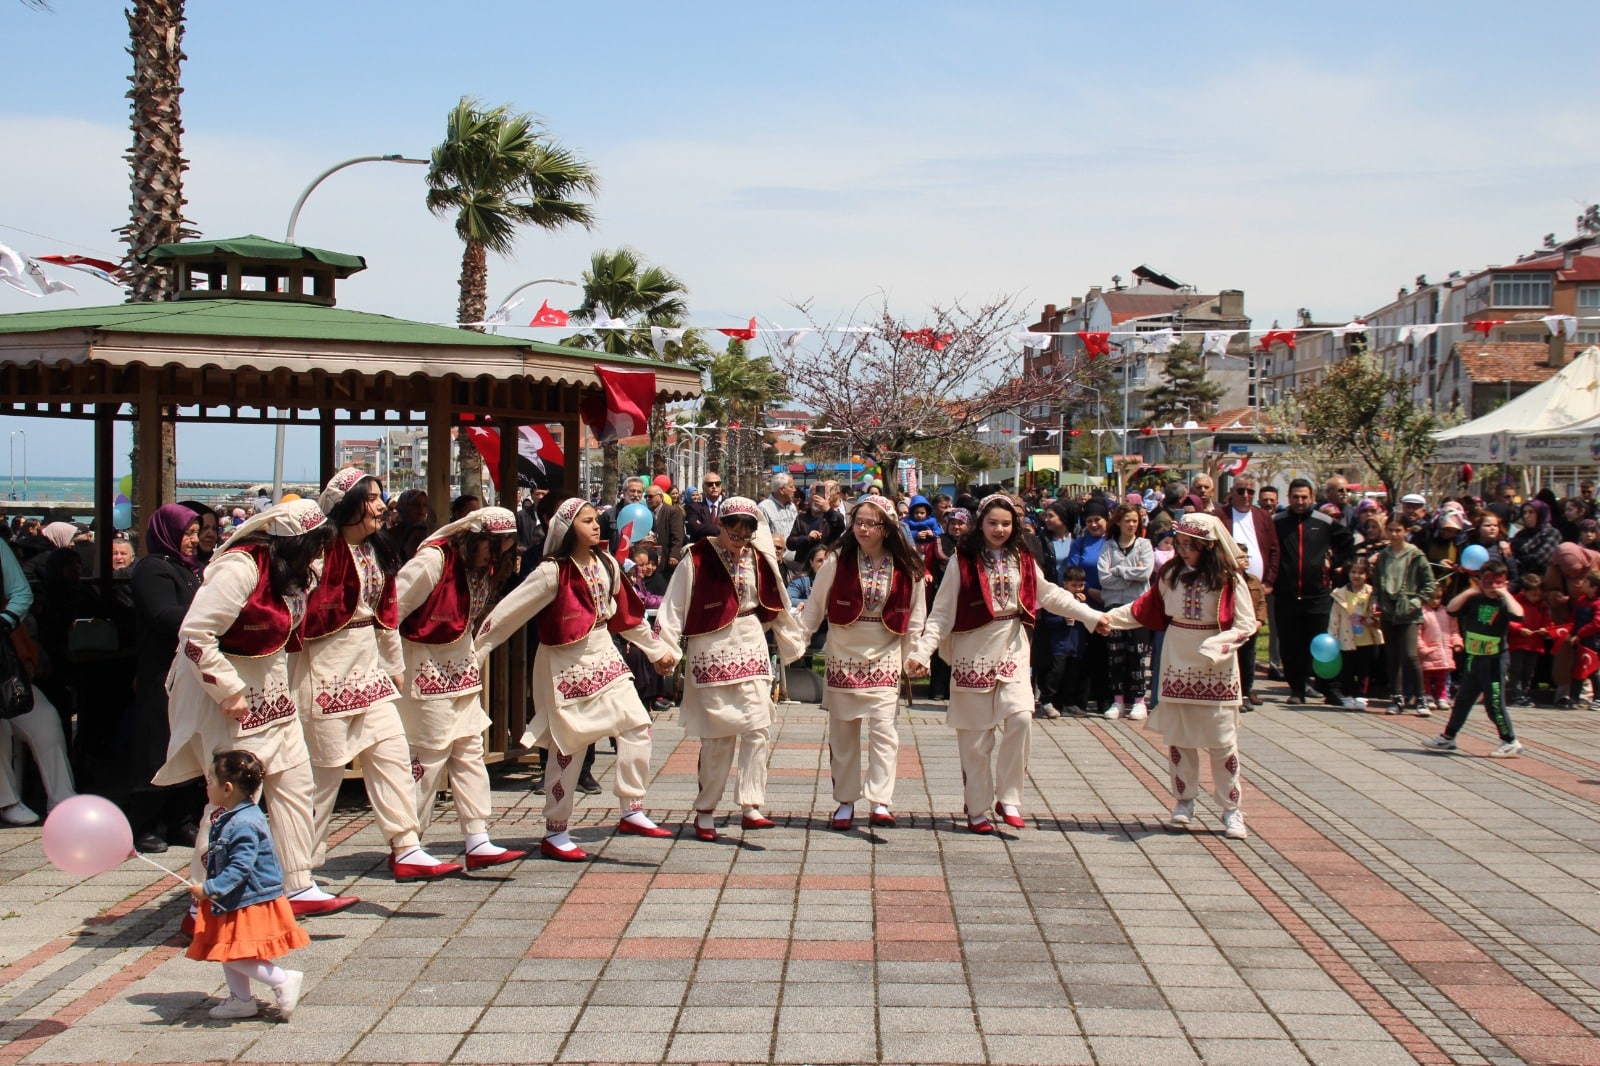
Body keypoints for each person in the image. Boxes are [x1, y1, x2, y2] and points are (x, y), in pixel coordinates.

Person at [154, 500, 355, 917]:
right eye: (315, 546)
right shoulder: (239, 568)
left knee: (297, 785)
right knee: (233, 802)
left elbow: (286, 636)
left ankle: (297, 882)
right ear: (293, 542)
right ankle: (205, 906)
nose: (320, 555)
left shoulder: (295, 573)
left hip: (274, 692)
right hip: (230, 700)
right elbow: (195, 635)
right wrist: (226, 688)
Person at [477, 497, 681, 859]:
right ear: (569, 528)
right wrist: (474, 655)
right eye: (587, 521)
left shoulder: (607, 564)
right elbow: (508, 614)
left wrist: (657, 651)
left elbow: (628, 617)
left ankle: (632, 808)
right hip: (563, 661)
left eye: (596, 519)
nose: (596, 525)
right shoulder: (552, 571)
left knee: (638, 725)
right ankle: (556, 832)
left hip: (603, 651)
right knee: (569, 745)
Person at [296, 469, 461, 885]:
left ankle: (407, 846)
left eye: (380, 497)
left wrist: (394, 669)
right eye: (371, 498)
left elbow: (386, 616)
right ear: (346, 504)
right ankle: (298, 870)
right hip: (324, 672)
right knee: (323, 776)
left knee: (392, 759)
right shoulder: (317, 555)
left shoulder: (376, 551)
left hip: (370, 672)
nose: (381, 505)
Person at [906, 495, 1106, 833]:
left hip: (1012, 644)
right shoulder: (962, 560)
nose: (999, 529)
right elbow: (941, 614)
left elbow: (1050, 595)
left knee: (1022, 717)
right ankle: (978, 808)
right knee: (976, 741)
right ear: (979, 523)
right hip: (972, 651)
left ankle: (1009, 797)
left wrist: (1090, 616)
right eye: (992, 522)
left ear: (1015, 527)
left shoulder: (1023, 558)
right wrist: (921, 651)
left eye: (1006, 523)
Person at [653, 497, 806, 840]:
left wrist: (792, 641)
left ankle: (751, 805)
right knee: (718, 734)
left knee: (758, 726)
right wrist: (665, 649)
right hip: (711, 645)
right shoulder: (695, 557)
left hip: (751, 639)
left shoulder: (758, 557)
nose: (739, 534)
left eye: (747, 528)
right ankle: (706, 809)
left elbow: (777, 600)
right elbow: (673, 607)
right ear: (720, 524)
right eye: (733, 527)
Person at [1101, 513, 1257, 840]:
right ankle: (1184, 800)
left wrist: (1218, 644)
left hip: (1216, 666)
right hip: (1176, 660)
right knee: (1179, 739)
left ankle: (1232, 808)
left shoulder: (1229, 578)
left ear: (1208, 546)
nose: (1182, 551)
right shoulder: (1171, 574)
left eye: (1190, 546)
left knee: (1223, 742)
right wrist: (1104, 618)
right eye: (1180, 544)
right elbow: (1140, 609)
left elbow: (1245, 625)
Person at [393, 506, 526, 870]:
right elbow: (391, 612)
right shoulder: (432, 563)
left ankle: (477, 836)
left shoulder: (480, 569)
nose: (494, 558)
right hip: (423, 665)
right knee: (428, 755)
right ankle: (407, 841)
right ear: (474, 539)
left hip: (461, 667)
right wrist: (389, 665)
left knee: (470, 750)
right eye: (492, 548)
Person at [797, 495, 926, 830]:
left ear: (887, 527)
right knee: (843, 732)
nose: (864, 529)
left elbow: (915, 619)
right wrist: (798, 641)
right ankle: (844, 801)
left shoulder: (906, 565)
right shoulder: (838, 559)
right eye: (859, 522)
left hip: (885, 654)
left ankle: (881, 801)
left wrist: (915, 656)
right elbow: (814, 606)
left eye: (872, 523)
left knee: (885, 731)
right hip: (844, 653)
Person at [186, 750, 308, 1021]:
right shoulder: (236, 815)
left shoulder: (242, 823)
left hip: (248, 899)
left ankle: (282, 979)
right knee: (228, 949)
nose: (206, 786)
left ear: (227, 788)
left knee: (231, 952)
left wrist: (209, 889)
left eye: (210, 781)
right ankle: (241, 1000)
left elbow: (241, 867)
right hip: (237, 899)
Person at [127, 505, 206, 853]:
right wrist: (209, 615)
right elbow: (162, 614)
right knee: (157, 746)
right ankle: (142, 822)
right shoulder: (153, 569)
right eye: (187, 533)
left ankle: (180, 819)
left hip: (188, 670)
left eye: (195, 533)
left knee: (188, 741)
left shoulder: (191, 569)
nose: (193, 540)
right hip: (161, 671)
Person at [0, 539, 77, 826]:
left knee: (45, 721)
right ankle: (7, 800)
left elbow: (21, 593)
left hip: (6, 667)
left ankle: (63, 800)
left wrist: (5, 620)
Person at [1426, 560, 1524, 757]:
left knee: (1494, 704)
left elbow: (1519, 615)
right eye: (1488, 582)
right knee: (1463, 699)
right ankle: (1448, 737)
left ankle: (1510, 740)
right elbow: (1452, 609)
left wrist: (1504, 592)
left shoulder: (1503, 602)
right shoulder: (1474, 599)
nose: (1492, 587)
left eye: (1498, 582)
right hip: (1474, 658)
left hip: (1495, 661)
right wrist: (1472, 590)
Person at [1273, 478, 1354, 706]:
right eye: (1295, 497)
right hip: (1286, 596)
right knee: (1290, 646)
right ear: (1288, 498)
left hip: (1317, 596)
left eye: (1304, 497)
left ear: (1312, 498)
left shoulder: (1324, 521)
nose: (1300, 501)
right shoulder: (1277, 522)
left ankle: (1330, 689)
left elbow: (1349, 543)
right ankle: (1297, 689)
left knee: (1322, 644)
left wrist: (1335, 564)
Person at [1370, 514, 1436, 713]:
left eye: (1398, 530)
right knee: (1393, 656)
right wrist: (1375, 602)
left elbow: (1429, 584)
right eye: (1390, 530)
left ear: (1406, 532)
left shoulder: (1416, 555)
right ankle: (1397, 696)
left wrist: (1416, 601)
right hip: (1389, 611)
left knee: (1410, 655)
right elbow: (1377, 583)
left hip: (1408, 611)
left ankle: (1421, 697)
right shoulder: (1384, 556)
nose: (1394, 534)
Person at [1097, 502, 1154, 720]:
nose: (1131, 525)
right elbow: (1104, 578)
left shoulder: (1144, 545)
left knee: (1137, 653)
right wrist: (1130, 576)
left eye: (1135, 521)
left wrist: (1119, 570)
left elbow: (1145, 573)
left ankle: (1139, 700)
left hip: (1138, 606)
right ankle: (1118, 700)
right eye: (1127, 520)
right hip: (1113, 607)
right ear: (1118, 522)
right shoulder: (1108, 546)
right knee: (1116, 654)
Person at [1330, 557, 1382, 710]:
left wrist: (1374, 621)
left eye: (1361, 573)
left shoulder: (1371, 593)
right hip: (1346, 638)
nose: (1356, 576)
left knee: (1364, 669)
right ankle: (1348, 695)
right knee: (1347, 669)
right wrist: (1332, 636)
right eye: (1353, 572)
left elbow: (1378, 614)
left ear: (1367, 575)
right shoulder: (1340, 594)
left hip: (1366, 638)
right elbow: (1335, 617)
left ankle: (1361, 695)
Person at [1508, 574, 1551, 707]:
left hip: (1534, 644)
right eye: (1533, 594)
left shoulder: (1542, 605)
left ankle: (1525, 694)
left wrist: (1546, 629)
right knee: (1516, 670)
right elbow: (1509, 620)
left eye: (1539, 594)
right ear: (1524, 591)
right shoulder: (1515, 602)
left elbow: (1548, 621)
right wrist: (1519, 629)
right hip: (1517, 644)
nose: (1536, 597)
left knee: (1529, 671)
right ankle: (1516, 695)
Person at [1235, 545, 1267, 709]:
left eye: (1247, 557)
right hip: (1235, 628)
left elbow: (1261, 603)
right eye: (1241, 557)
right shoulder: (1228, 579)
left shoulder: (1253, 580)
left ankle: (1247, 691)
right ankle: (1236, 694)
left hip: (1251, 627)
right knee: (1235, 661)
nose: (1245, 560)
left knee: (1248, 661)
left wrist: (1259, 621)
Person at [1417, 584, 1459, 710]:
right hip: (1429, 651)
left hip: (1444, 651)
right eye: (1431, 598)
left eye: (1438, 598)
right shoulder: (1422, 612)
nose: (1434, 601)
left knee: (1442, 677)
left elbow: (1454, 631)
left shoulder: (1447, 612)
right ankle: (1427, 695)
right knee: (1426, 677)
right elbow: (1417, 634)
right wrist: (1422, 648)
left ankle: (1442, 696)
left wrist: (1456, 642)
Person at [1511, 500, 1561, 580]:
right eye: (1524, 513)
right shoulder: (1520, 534)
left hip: (1541, 581)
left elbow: (1540, 558)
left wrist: (1518, 561)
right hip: (1520, 579)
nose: (1526, 516)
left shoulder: (1552, 533)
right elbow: (1511, 555)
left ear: (1541, 513)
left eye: (1531, 512)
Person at [758, 473, 800, 567]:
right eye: (791, 487)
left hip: (793, 563)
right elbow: (761, 538)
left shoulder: (792, 507)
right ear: (782, 490)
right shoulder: (764, 508)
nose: (794, 490)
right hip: (775, 563)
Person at [787, 487, 845, 556]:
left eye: (822, 496)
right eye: (815, 495)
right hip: (804, 562)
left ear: (828, 499)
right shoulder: (801, 518)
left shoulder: (833, 517)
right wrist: (807, 538)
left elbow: (840, 526)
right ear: (808, 498)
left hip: (826, 561)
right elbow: (790, 543)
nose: (818, 499)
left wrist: (828, 510)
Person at [645, 482, 686, 578]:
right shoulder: (645, 512)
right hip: (649, 559)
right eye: (646, 497)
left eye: (650, 497)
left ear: (660, 497)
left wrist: (674, 555)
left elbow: (677, 535)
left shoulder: (672, 512)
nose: (648, 500)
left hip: (666, 559)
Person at [683, 472, 726, 541]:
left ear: (721, 487)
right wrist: (723, 528)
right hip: (702, 549)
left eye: (717, 484)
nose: (714, 486)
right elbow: (694, 528)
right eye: (710, 484)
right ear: (703, 487)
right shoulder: (694, 507)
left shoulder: (727, 505)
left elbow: (735, 528)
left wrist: (703, 526)